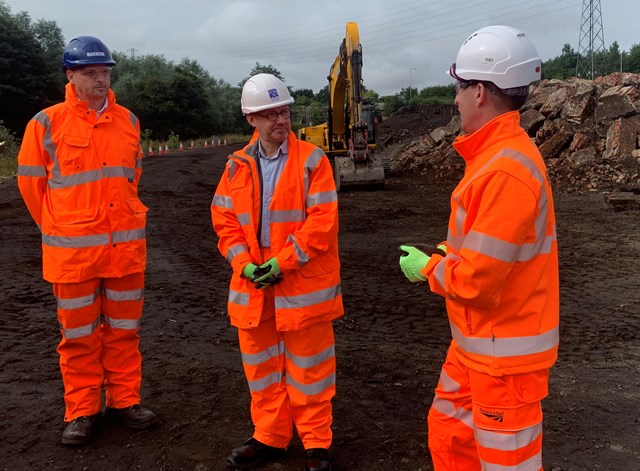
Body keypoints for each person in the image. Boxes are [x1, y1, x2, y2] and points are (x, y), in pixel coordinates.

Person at [398, 25, 559, 470]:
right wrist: (441, 253)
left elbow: (479, 280)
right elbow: (475, 246)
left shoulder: (504, 171)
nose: (455, 99)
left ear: (482, 93)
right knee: (450, 436)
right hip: (477, 347)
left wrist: (430, 269)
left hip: (503, 360)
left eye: (459, 87)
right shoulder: (492, 158)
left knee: (508, 462)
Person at [17, 36, 158, 446]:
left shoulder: (129, 121)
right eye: (91, 73)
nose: (100, 80)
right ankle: (82, 411)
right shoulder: (45, 123)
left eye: (105, 72)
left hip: (125, 250)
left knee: (124, 331)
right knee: (78, 337)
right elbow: (31, 187)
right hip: (73, 254)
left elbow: (132, 177)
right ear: (71, 75)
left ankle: (125, 400)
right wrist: (62, 229)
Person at [211, 73, 343, 471]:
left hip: (301, 282)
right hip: (253, 283)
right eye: (269, 114)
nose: (280, 120)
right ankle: (270, 437)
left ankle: (316, 443)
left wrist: (282, 262)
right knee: (263, 367)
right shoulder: (236, 166)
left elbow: (322, 221)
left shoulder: (312, 160)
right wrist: (244, 264)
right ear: (251, 119)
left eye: (283, 111)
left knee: (310, 368)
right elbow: (224, 220)